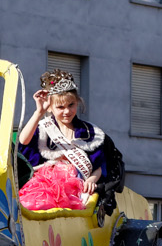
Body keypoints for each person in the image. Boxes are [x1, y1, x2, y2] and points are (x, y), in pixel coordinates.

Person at [15, 69, 124, 214]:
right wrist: (39, 112)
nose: (66, 111)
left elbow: (99, 165)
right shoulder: (43, 128)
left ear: (77, 103)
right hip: (45, 188)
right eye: (60, 107)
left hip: (77, 191)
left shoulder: (90, 132)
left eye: (71, 105)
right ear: (51, 108)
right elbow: (23, 140)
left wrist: (91, 180)